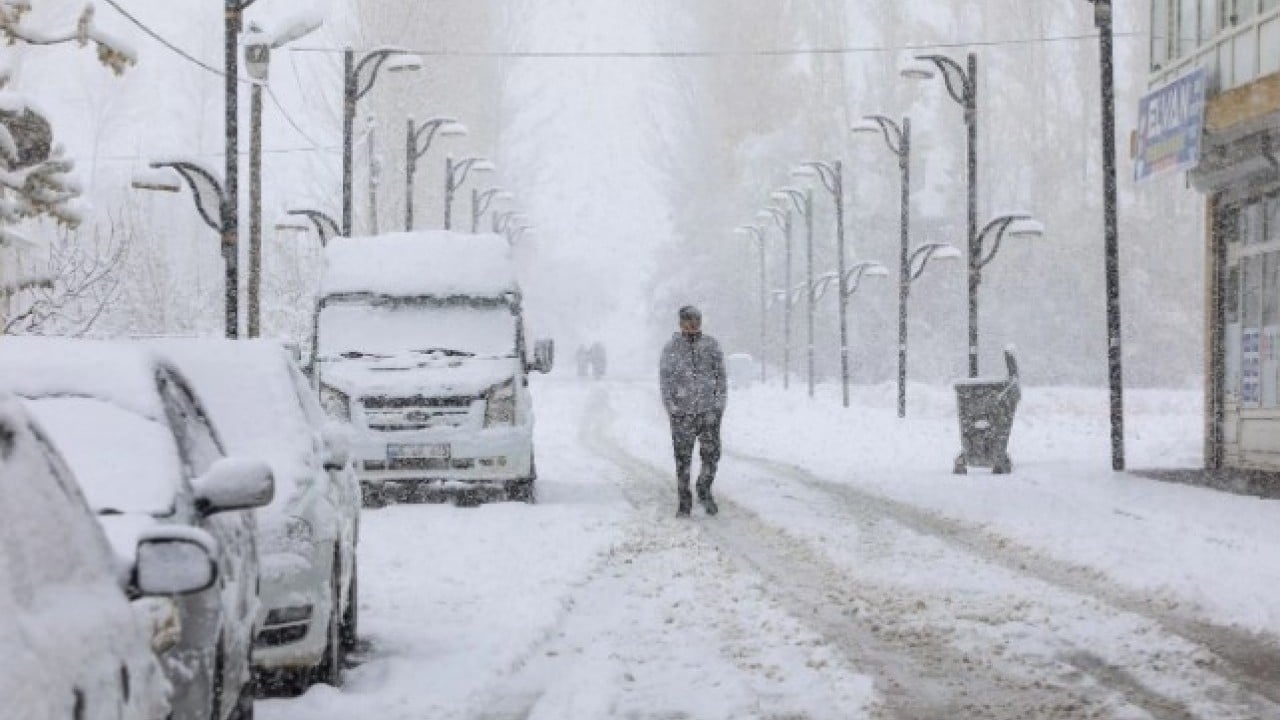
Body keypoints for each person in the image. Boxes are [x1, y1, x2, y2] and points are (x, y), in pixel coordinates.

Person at [659, 305, 727, 517]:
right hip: (682, 414)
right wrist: (673, 408)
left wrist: (718, 407)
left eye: (696, 320)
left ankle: (704, 490)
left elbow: (721, 379)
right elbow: (665, 382)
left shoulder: (711, 346)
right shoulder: (671, 349)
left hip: (708, 413)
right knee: (683, 459)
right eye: (688, 321)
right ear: (680, 323)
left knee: (711, 456)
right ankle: (684, 501)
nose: (693, 324)